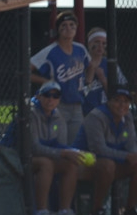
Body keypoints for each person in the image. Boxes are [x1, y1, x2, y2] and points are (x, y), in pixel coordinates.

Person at [0, 81, 86, 215]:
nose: (51, 99)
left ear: (59, 99)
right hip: (14, 156)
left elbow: (60, 145)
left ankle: (65, 211)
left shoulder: (58, 115)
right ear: (39, 97)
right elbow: (33, 148)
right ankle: (41, 212)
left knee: (70, 164)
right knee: (46, 164)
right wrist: (64, 152)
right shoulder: (30, 113)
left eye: (55, 96)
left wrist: (74, 152)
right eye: (47, 95)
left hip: (39, 156)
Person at [73, 86, 137, 215]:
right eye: (117, 100)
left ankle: (129, 211)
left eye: (126, 101)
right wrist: (127, 156)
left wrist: (135, 156)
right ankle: (95, 213)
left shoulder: (127, 116)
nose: (122, 105)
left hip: (111, 164)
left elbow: (131, 146)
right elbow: (99, 150)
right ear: (108, 102)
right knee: (108, 165)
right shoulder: (96, 116)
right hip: (82, 165)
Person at [31, 11, 93, 145]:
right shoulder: (50, 51)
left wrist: (88, 83)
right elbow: (26, 70)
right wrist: (45, 81)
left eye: (72, 25)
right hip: (57, 105)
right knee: (60, 144)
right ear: (58, 29)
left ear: (76, 28)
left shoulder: (81, 49)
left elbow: (91, 65)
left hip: (77, 105)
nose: (68, 28)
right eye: (64, 25)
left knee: (76, 145)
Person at [82, 27, 128, 115]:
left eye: (104, 43)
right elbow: (80, 94)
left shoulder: (111, 64)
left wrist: (103, 80)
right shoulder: (81, 63)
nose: (100, 46)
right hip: (85, 111)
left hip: (106, 111)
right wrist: (90, 73)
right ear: (89, 43)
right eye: (97, 42)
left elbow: (118, 94)